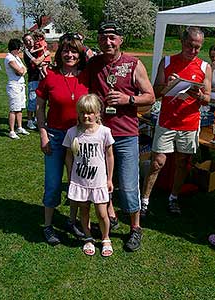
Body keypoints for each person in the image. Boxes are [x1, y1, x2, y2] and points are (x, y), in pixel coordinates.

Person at [86, 20, 155, 251]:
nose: (108, 42)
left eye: (113, 37)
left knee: (127, 184)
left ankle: (135, 228)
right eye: (104, 37)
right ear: (98, 40)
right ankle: (112, 217)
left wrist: (129, 99)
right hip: (100, 135)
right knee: (103, 182)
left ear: (120, 39)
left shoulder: (133, 64)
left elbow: (150, 96)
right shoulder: (93, 64)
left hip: (126, 134)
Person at [141, 27, 211, 217]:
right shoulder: (168, 61)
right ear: (182, 42)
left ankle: (173, 198)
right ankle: (144, 201)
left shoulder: (205, 67)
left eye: (198, 47)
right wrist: (168, 85)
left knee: (183, 162)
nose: (194, 50)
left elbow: (206, 98)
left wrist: (198, 95)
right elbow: (155, 93)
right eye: (190, 46)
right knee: (157, 162)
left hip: (189, 123)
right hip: (167, 121)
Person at [36, 33, 88, 245]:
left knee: (78, 181)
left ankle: (72, 221)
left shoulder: (86, 76)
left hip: (81, 136)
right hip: (56, 136)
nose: (69, 55)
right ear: (60, 54)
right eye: (66, 50)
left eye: (74, 51)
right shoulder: (50, 76)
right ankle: (48, 225)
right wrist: (43, 133)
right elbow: (40, 107)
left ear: (80, 54)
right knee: (53, 182)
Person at [63, 94, 114, 256]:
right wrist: (70, 176)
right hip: (80, 181)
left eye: (90, 112)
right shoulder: (72, 133)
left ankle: (106, 238)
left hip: (98, 182)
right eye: (83, 112)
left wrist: (109, 178)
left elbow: (109, 156)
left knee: (102, 212)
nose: (86, 116)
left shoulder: (104, 132)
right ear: (78, 114)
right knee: (83, 211)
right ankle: (88, 237)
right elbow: (69, 156)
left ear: (98, 113)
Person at [22, 33, 50, 130]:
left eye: (31, 39)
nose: (30, 42)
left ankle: (35, 119)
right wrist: (45, 54)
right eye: (27, 41)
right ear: (25, 43)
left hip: (40, 78)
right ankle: (29, 121)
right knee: (32, 101)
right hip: (33, 79)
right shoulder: (27, 52)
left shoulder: (35, 49)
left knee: (40, 101)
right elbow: (37, 62)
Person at [4, 38, 29, 139]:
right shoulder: (9, 58)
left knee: (20, 108)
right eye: (19, 48)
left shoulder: (16, 57)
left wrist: (22, 70)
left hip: (21, 85)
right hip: (14, 85)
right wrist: (22, 70)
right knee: (14, 109)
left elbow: (24, 69)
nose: (20, 50)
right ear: (14, 48)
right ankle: (12, 131)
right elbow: (20, 71)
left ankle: (19, 127)